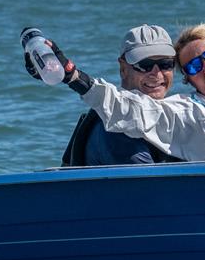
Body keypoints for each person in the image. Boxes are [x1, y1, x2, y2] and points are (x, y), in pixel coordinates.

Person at [28, 23, 205, 162]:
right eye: (193, 66)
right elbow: (130, 109)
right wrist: (73, 77)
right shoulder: (190, 114)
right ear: (190, 82)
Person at [27, 24, 181, 166]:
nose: (156, 73)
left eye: (165, 64)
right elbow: (150, 187)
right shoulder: (118, 130)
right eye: (144, 65)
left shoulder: (177, 117)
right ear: (123, 68)